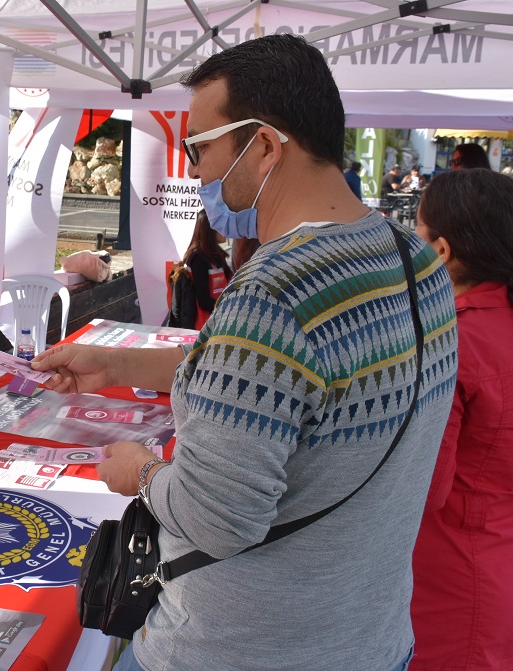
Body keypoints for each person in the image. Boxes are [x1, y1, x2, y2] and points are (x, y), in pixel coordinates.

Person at [32, 34, 457, 671]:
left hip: (239, 647)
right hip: (370, 636)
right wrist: (117, 365)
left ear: (262, 146)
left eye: (199, 146)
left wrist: (140, 474)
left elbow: (215, 520)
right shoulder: (413, 258)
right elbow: (291, 380)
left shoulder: (272, 295)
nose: (196, 169)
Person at [410, 169, 513, 670]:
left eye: (418, 231)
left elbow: (426, 489)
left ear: (443, 251)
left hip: (450, 576)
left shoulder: (454, 339)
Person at [165, 210, 232, 330]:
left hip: (219, 320)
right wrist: (228, 310)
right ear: (210, 229)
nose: (226, 229)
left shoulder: (217, 255)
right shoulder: (198, 259)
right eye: (221, 226)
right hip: (204, 327)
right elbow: (203, 300)